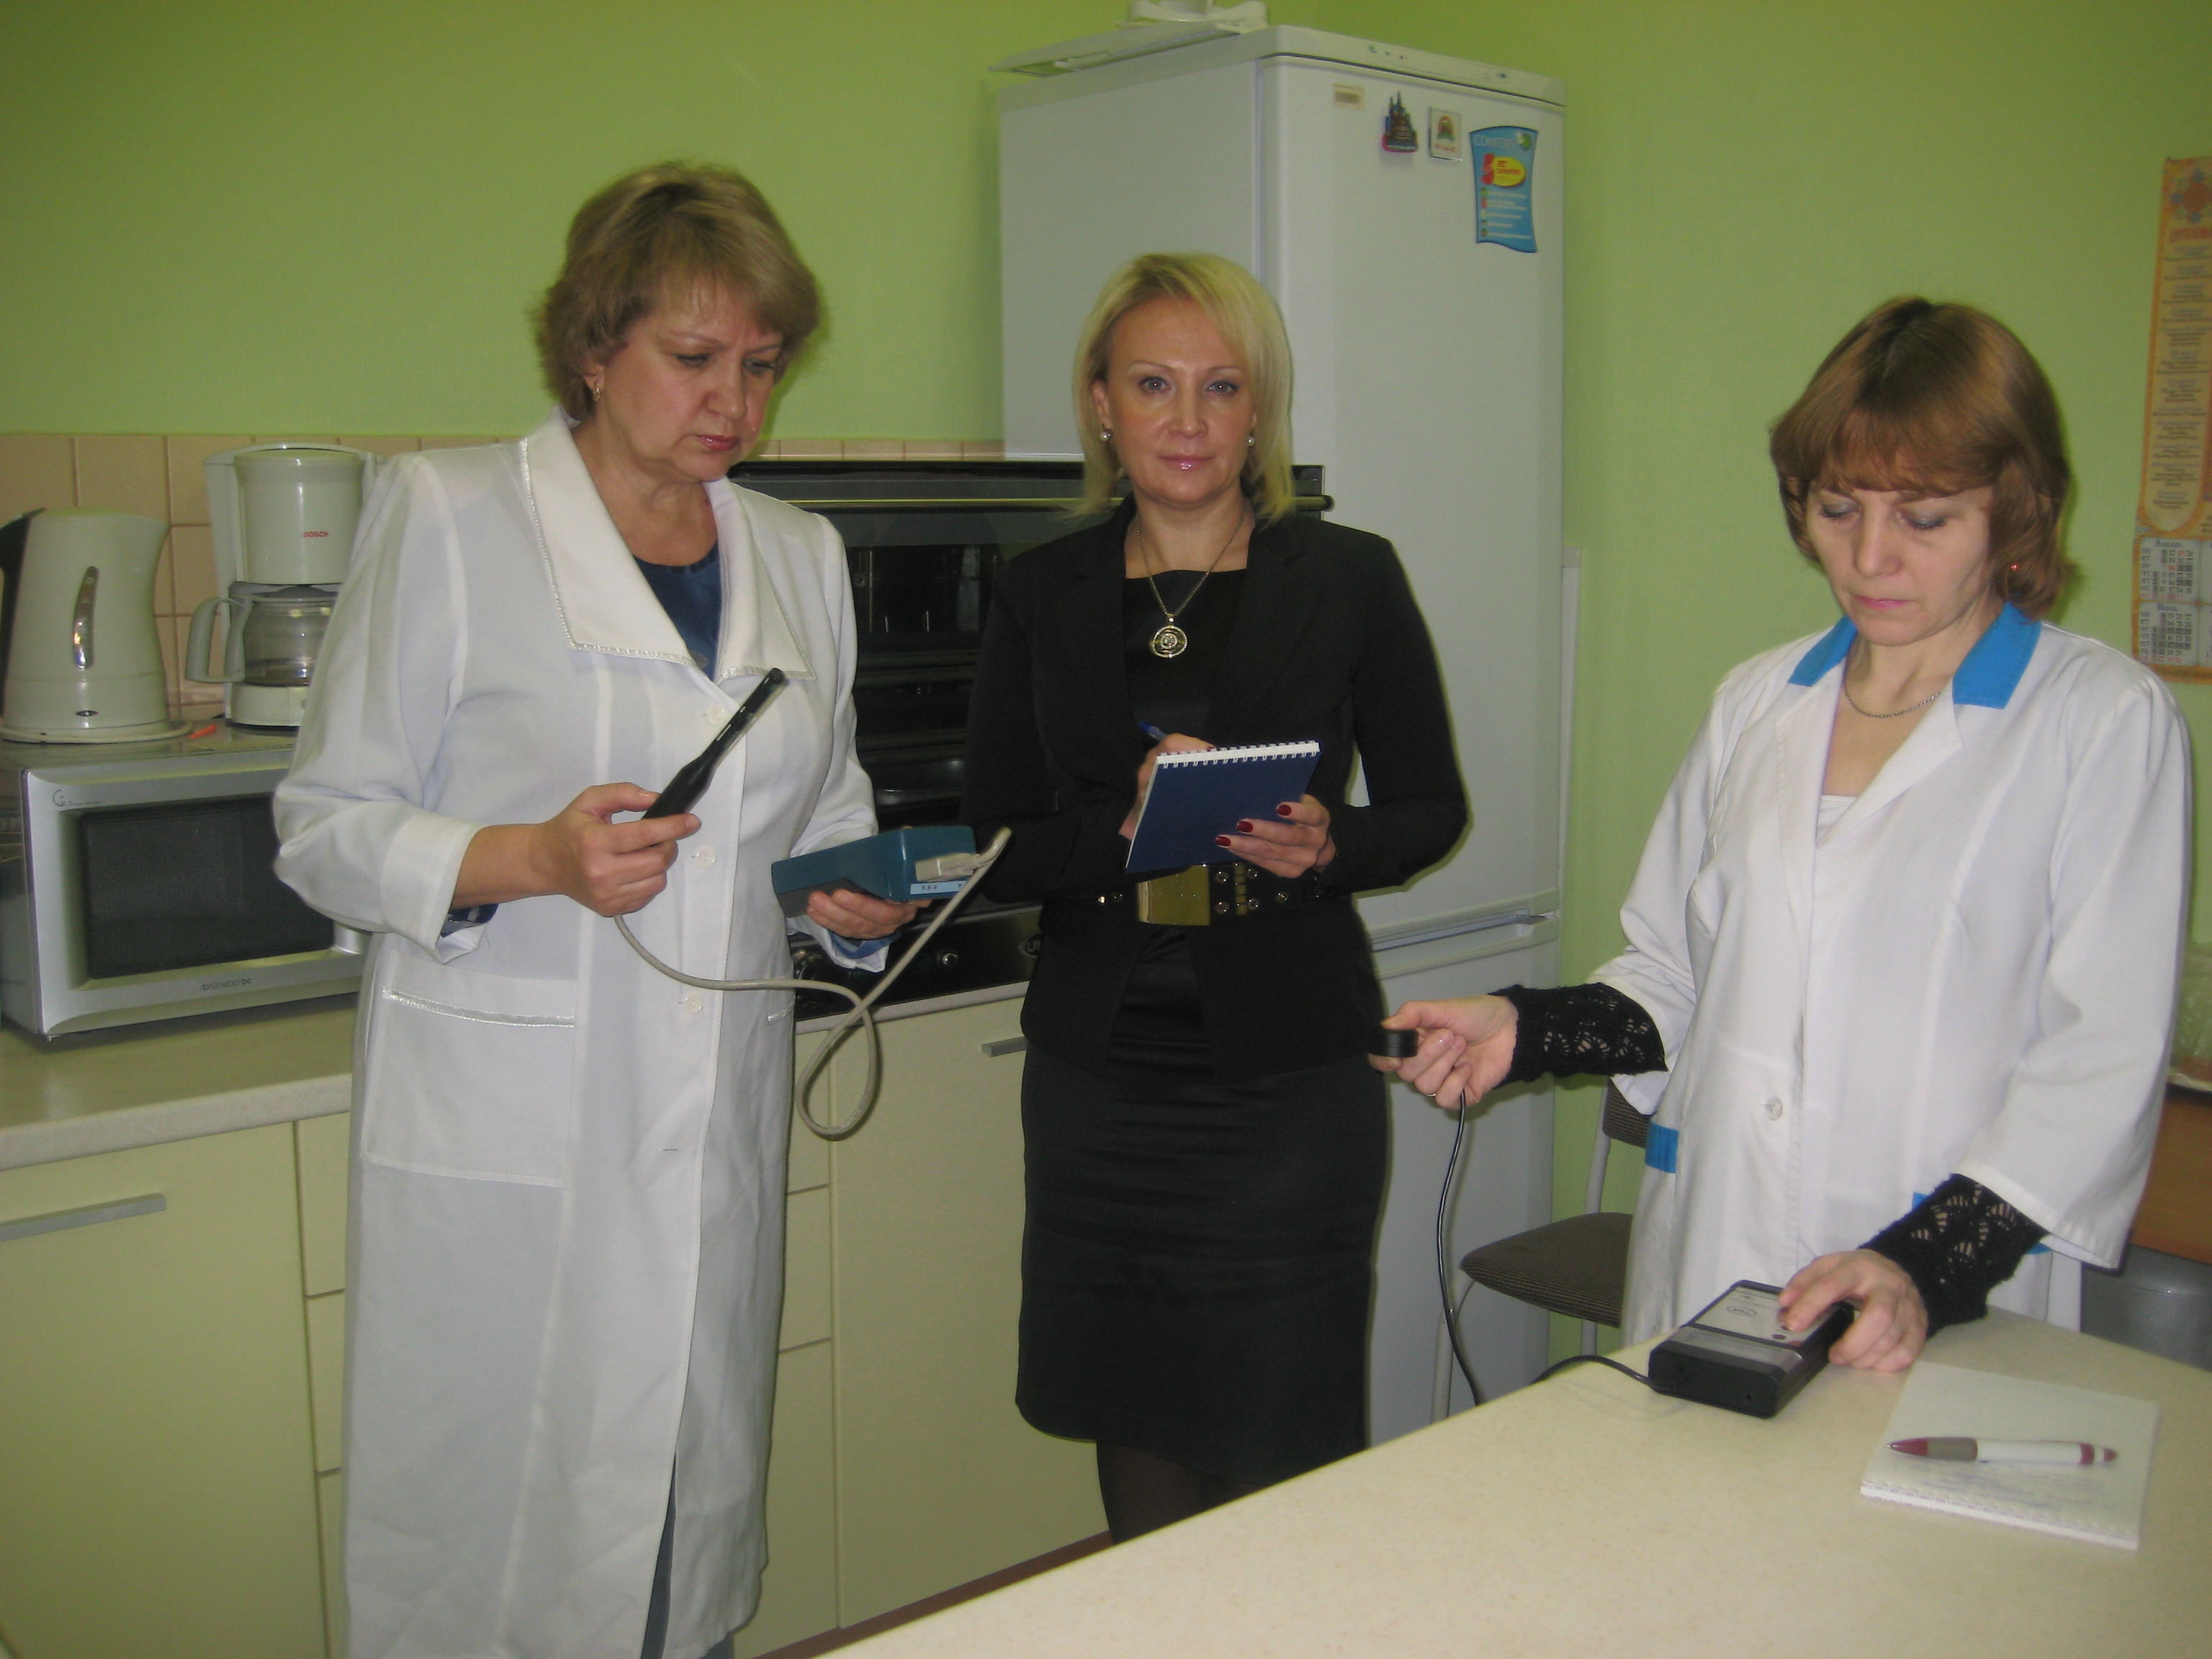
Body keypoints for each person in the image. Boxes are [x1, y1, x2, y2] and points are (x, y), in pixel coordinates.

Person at [274, 163, 914, 1659]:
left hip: (711, 1131)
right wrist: (532, 858)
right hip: (518, 1136)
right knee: (501, 1549)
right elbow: (323, 827)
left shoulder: (801, 556)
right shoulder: (450, 515)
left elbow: (824, 810)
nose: (734, 405)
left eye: (762, 366)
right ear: (591, 345)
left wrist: (847, 901)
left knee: (680, 1533)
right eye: (695, 358)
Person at [1380, 297, 2188, 1372]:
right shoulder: (1758, 703)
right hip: (1719, 1244)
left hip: (1939, 1290)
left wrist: (1920, 1265)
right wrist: (1529, 1030)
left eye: (1925, 519)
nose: (1870, 558)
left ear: (2016, 508)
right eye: (1838, 508)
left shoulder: (2102, 721)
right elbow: (1675, 974)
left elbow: (2100, 1057)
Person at [962, 253, 1467, 1539]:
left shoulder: (1348, 575)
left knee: (1282, 1430)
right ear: (1100, 404)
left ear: (1259, 412)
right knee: (1135, 1413)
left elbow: (1429, 809)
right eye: (1153, 385)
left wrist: (1329, 844)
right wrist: (1123, 831)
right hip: (1103, 1079)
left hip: (1287, 1080)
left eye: (1222, 386)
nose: (1186, 420)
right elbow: (999, 843)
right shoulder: (1040, 591)